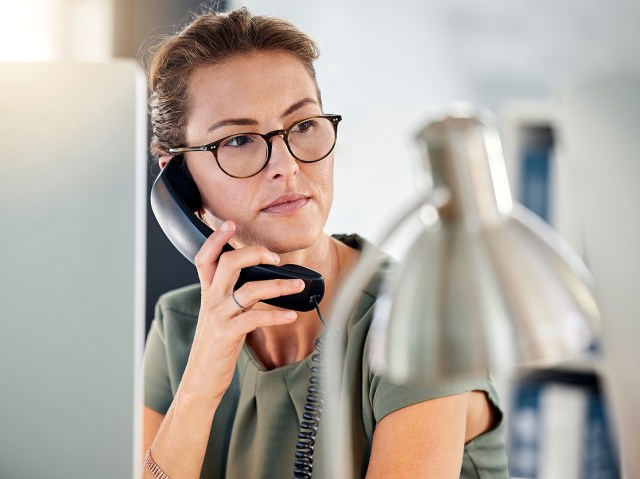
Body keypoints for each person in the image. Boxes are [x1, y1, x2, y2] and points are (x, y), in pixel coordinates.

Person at [142, 7, 508, 479]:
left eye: (303, 126)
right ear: (178, 181)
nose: (286, 165)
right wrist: (200, 383)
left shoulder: (420, 317)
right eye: (238, 141)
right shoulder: (181, 326)